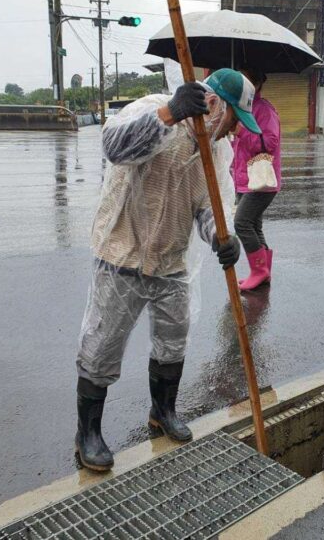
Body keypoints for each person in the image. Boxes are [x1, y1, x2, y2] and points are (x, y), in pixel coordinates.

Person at [73, 69, 261, 471]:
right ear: (215, 106)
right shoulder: (153, 110)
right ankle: (87, 433)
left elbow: (212, 205)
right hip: (122, 254)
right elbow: (114, 146)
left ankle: (164, 411)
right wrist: (170, 113)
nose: (232, 134)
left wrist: (222, 238)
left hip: (170, 261)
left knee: (173, 340)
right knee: (102, 346)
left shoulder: (216, 151)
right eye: (233, 122)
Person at [231, 66, 281, 291]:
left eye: (249, 80)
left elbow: (269, 144)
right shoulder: (242, 109)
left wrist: (241, 132)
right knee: (254, 224)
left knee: (241, 223)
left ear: (259, 83)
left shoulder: (264, 110)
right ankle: (264, 273)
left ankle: (258, 271)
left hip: (261, 180)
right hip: (244, 178)